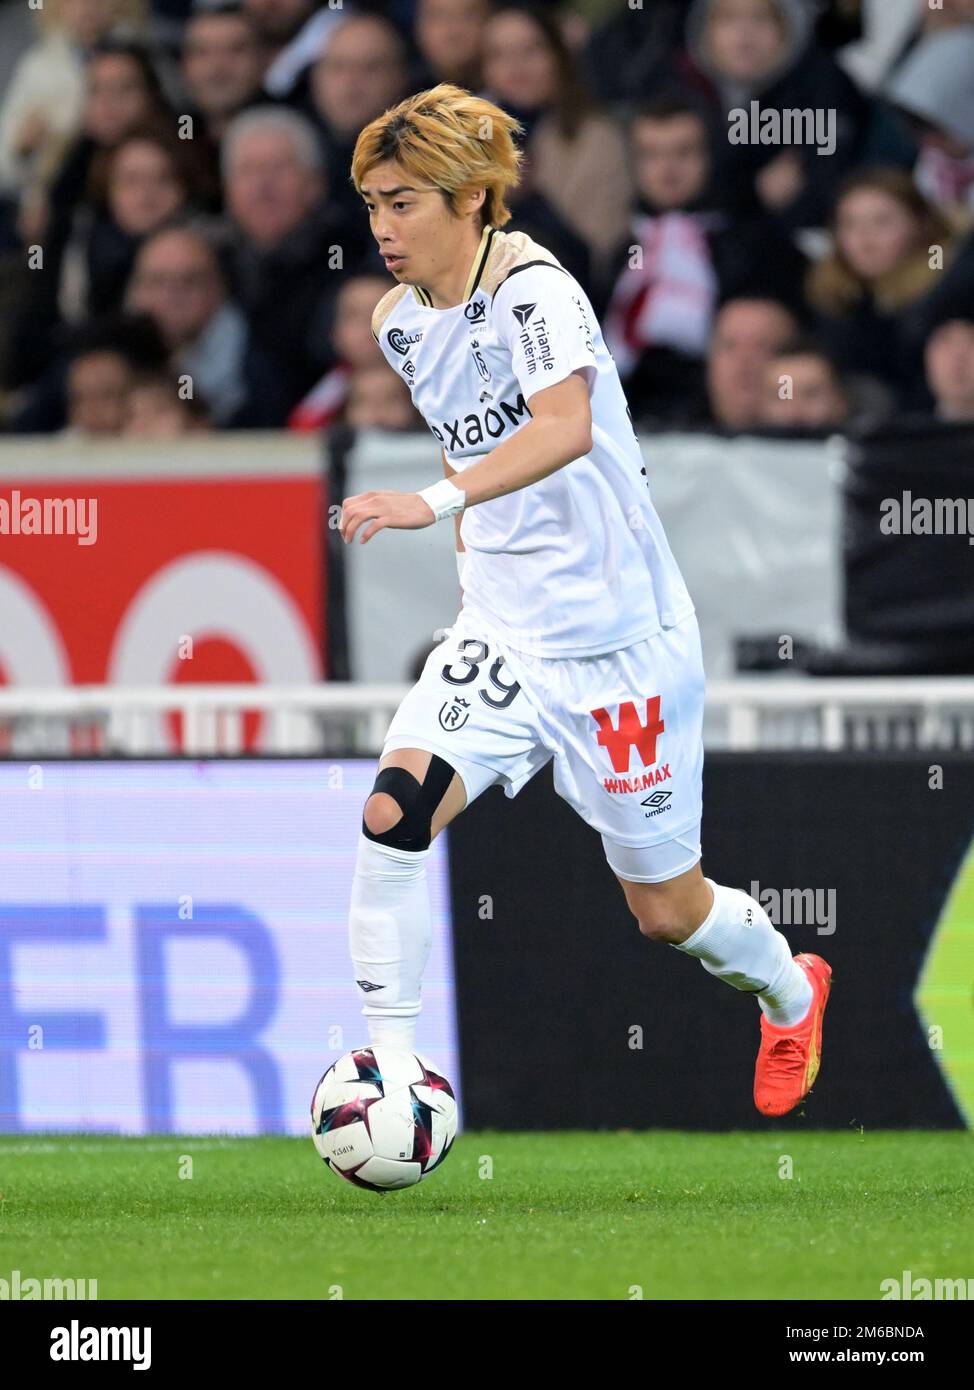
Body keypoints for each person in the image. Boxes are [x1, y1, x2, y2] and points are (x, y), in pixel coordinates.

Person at [338, 83, 832, 1119]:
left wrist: (430, 503)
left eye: (404, 203)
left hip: (620, 643)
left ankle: (790, 989)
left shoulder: (537, 291)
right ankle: (395, 1075)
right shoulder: (395, 324)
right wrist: (476, 542)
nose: (382, 228)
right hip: (505, 637)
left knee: (664, 911)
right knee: (393, 813)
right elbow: (475, 436)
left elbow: (561, 427)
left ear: (471, 198)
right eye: (373, 204)